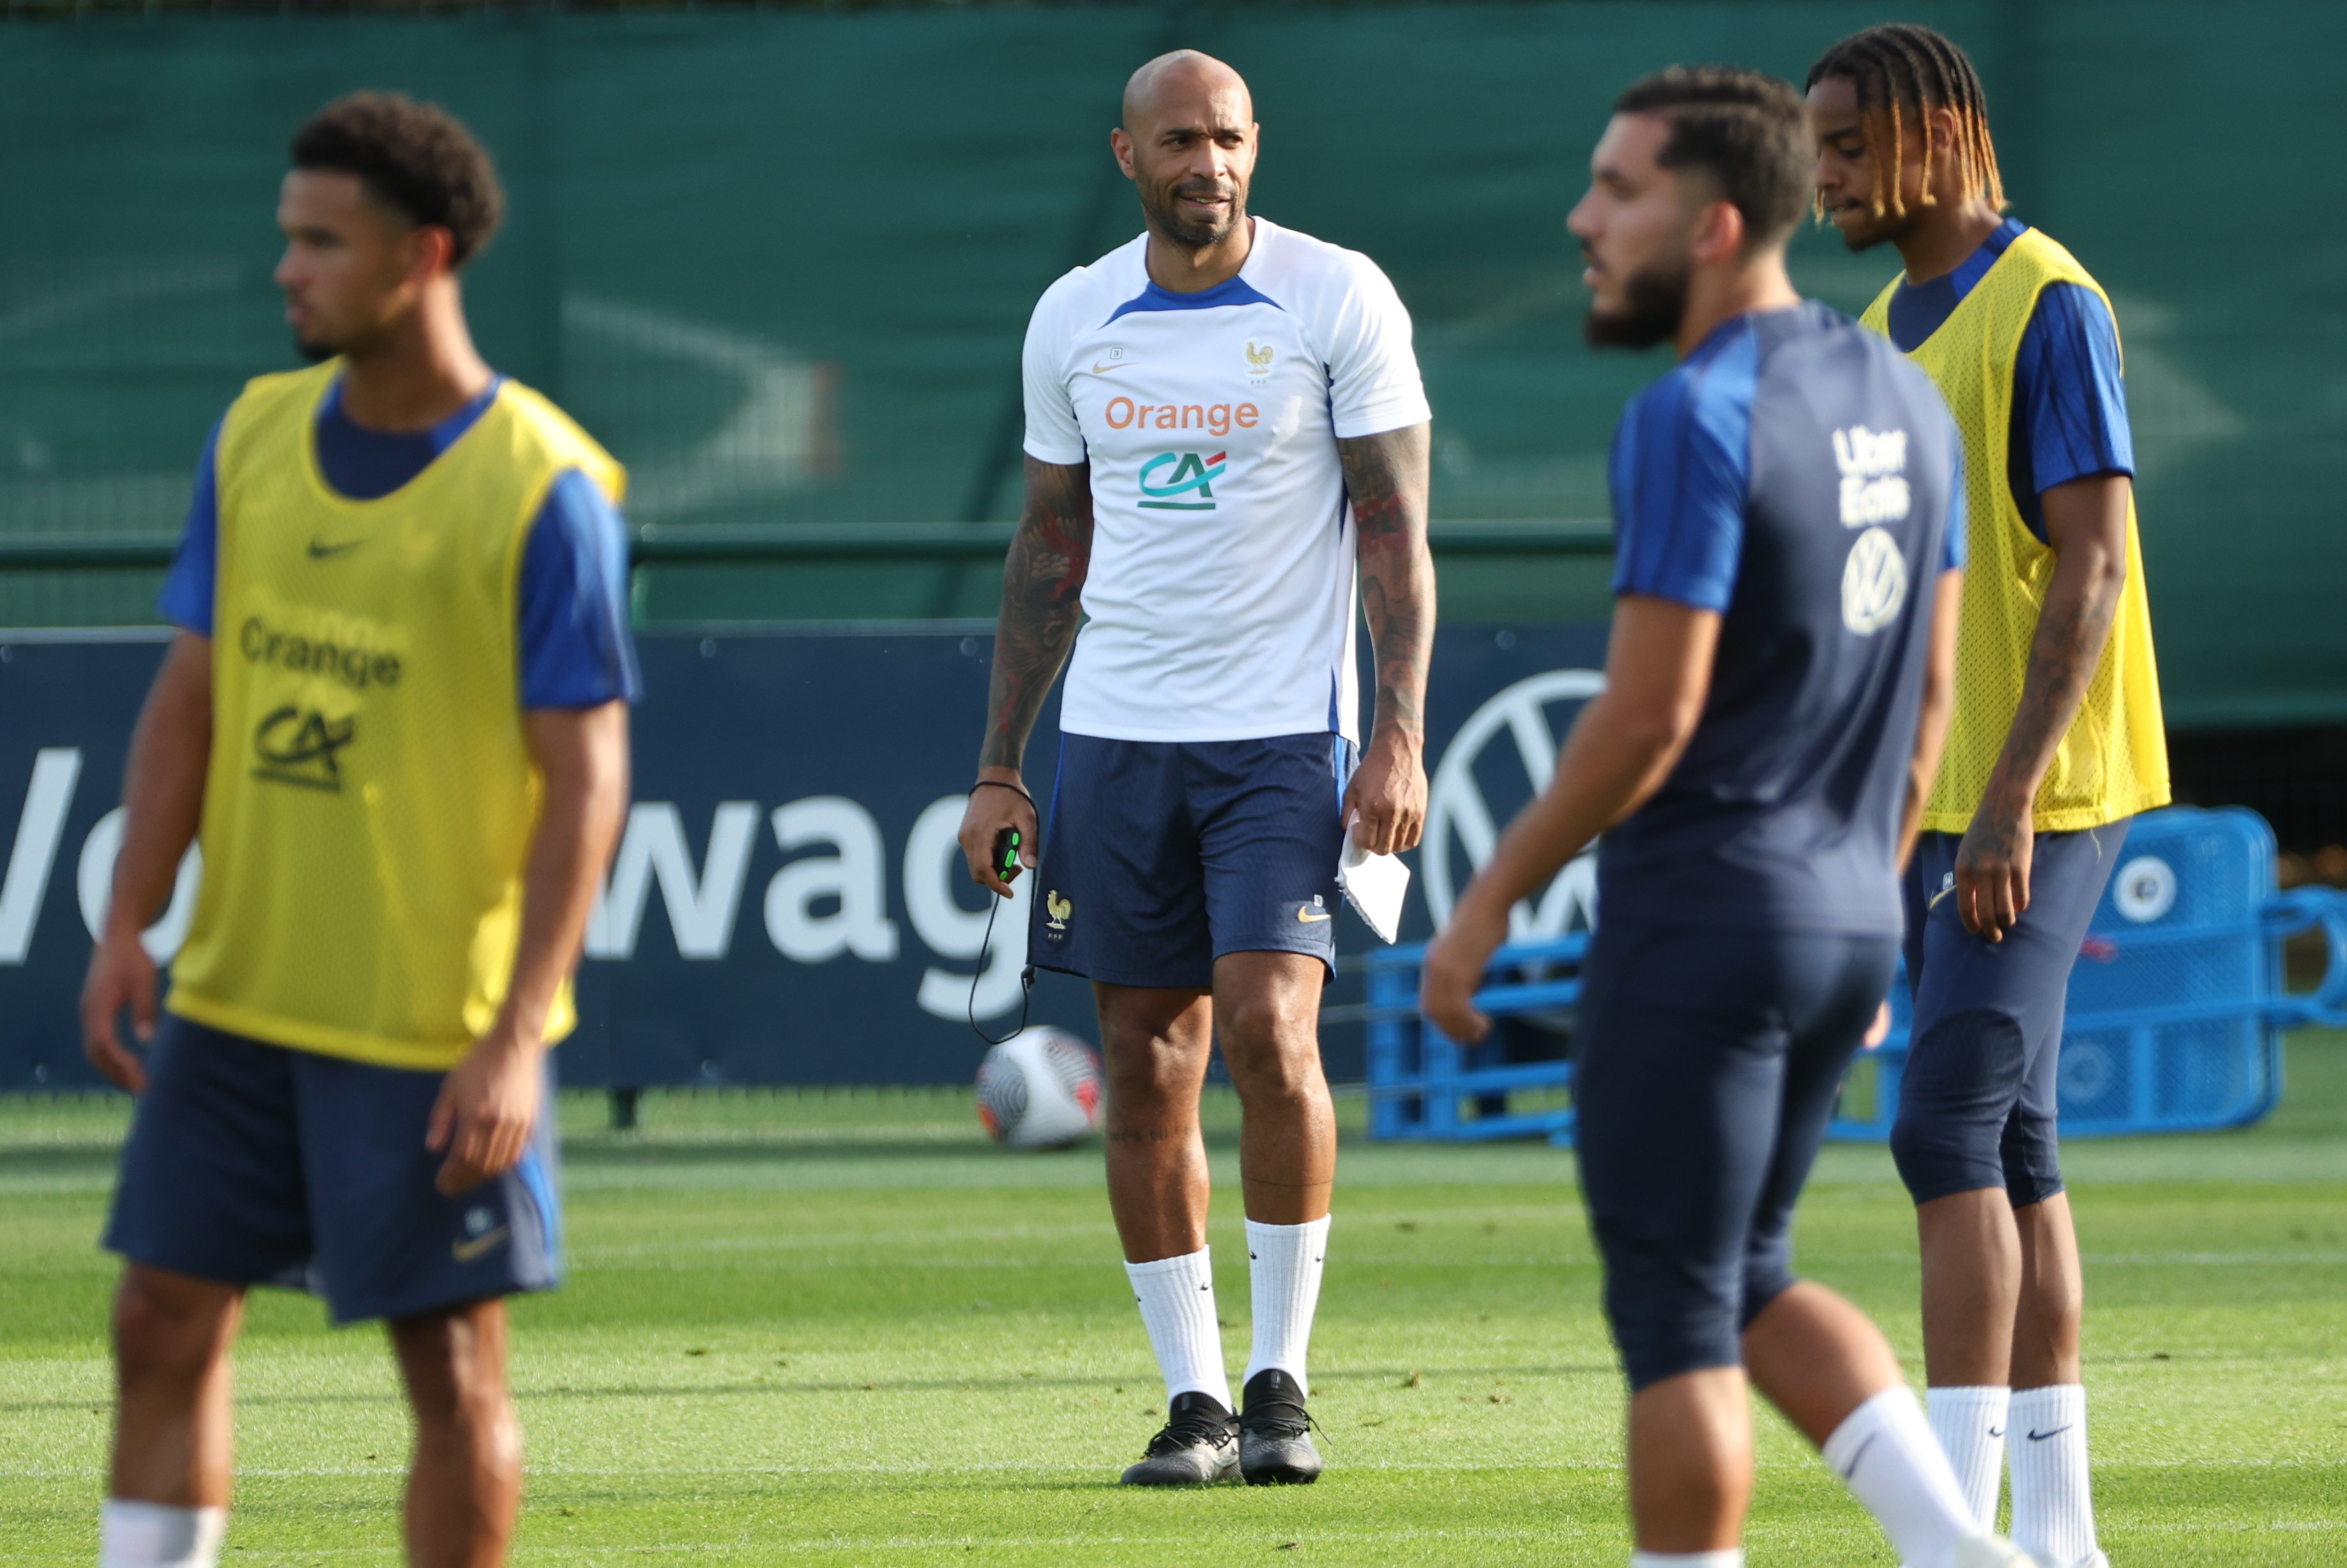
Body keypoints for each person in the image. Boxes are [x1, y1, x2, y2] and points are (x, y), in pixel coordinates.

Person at [1422, 66, 2033, 1568]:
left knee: (1674, 1317)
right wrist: (1867, 916)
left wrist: (1488, 898)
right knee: (1750, 1273)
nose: (1582, 218)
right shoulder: (1901, 389)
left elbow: (1645, 713)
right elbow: (1934, 697)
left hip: (1702, 917)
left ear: (1708, 226)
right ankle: (1966, 1552)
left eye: (1616, 188)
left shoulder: (1689, 410)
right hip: (1835, 918)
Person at [80, 94, 637, 1568]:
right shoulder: (257, 433)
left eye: (322, 243)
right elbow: (191, 695)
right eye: (287, 239)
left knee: (450, 1379)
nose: (289, 270)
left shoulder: (545, 489)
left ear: (424, 255)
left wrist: (518, 1030)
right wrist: (130, 923)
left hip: (427, 1030)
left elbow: (587, 779)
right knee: (159, 1319)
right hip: (240, 997)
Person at [955, 49, 1434, 1488]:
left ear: (1254, 145)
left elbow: (1393, 529)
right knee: (1141, 1062)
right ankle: (1195, 1401)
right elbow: (1049, 546)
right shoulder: (1072, 315)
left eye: (1225, 138)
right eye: (1178, 142)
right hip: (1112, 741)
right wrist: (1001, 767)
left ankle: (1282, 1382)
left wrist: (1400, 732)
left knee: (1268, 1036)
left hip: (1284, 733)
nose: (1205, 164)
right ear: (1127, 156)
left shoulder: (1335, 295)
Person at [1807, 26, 2169, 1567]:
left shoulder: (2049, 304)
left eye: (1841, 145)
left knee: (1939, 1125)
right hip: (1937, 794)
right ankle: (2060, 1539)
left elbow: (2089, 563)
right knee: (2011, 1145)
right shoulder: (1874, 326)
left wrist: (2013, 797)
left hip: (2048, 790)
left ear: (1933, 135)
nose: (1817, 174)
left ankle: (1945, 1534)